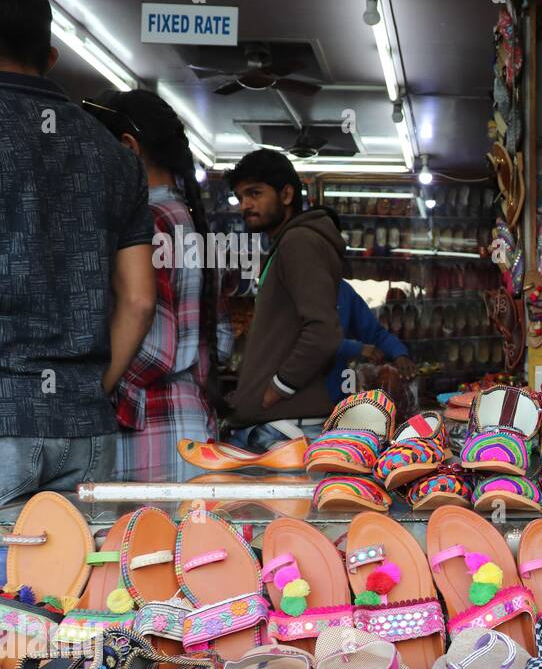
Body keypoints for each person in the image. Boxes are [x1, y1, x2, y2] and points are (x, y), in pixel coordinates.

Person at [0, 0, 156, 501]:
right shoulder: (115, 156)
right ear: (50, 58)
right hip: (88, 428)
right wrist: (88, 391)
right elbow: (138, 302)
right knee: (76, 585)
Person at [84, 90, 220, 481]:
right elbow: (221, 337)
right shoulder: (187, 217)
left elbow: (155, 345)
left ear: (128, 148)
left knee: (142, 542)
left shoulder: (149, 220)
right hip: (188, 418)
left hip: (151, 428)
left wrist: (96, 391)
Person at [225, 149, 343, 450]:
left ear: (286, 194)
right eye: (240, 197)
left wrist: (277, 389)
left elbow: (323, 331)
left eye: (254, 193)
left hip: (282, 430)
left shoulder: (299, 242)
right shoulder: (288, 243)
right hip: (277, 425)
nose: (245, 206)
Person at [330, 281, 418, 404]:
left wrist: (399, 353)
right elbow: (315, 340)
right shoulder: (299, 289)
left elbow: (373, 332)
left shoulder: (342, 289)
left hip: (339, 399)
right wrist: (357, 348)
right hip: (303, 403)